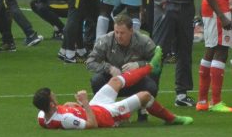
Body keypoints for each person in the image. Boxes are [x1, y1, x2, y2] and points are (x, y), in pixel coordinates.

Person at [35, 47, 193, 129]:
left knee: (116, 80)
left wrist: (72, 105)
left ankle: (151, 67)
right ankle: (172, 119)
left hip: (96, 106)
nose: (55, 96)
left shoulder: (43, 115)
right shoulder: (66, 120)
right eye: (53, 97)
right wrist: (85, 103)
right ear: (51, 104)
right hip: (106, 115)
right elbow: (92, 124)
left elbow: (56, 114)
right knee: (145, 95)